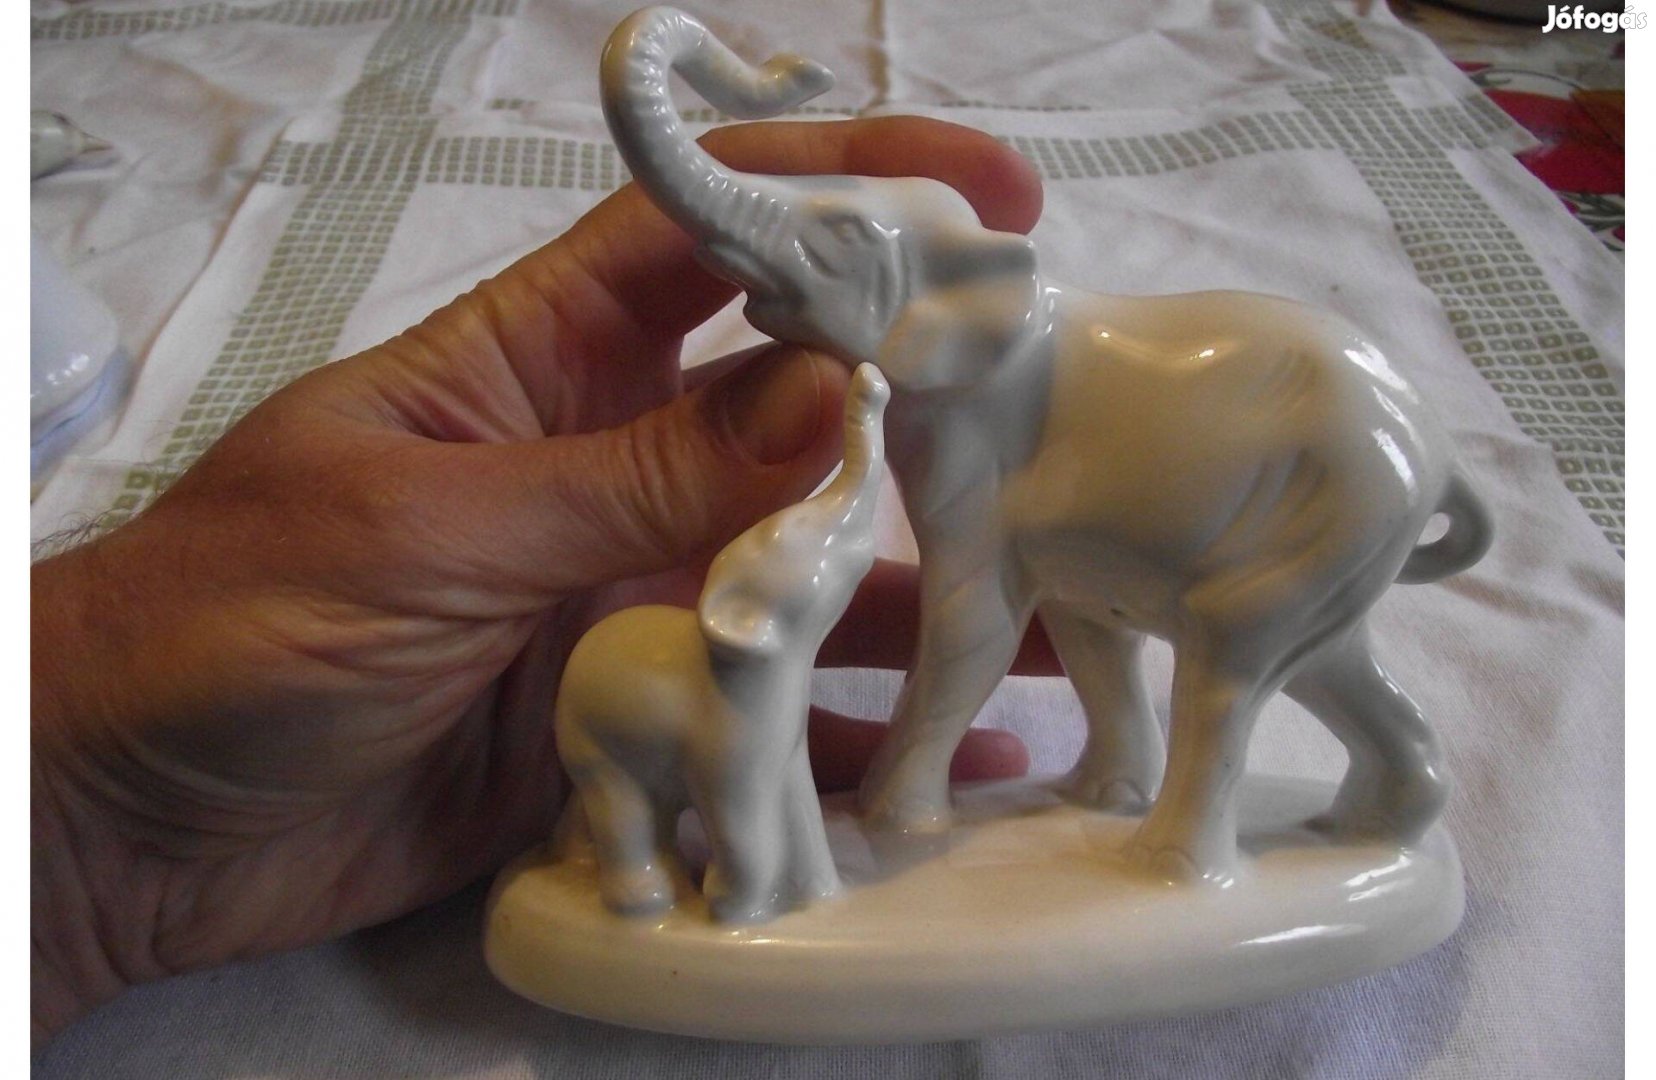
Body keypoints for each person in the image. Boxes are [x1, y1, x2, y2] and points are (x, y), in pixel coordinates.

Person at [30, 116, 1053, 1045]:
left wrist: (77, 826)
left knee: (758, 777)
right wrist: (74, 783)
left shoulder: (762, 646)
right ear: (751, 621)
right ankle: (655, 872)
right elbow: (753, 787)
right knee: (668, 803)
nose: (851, 545)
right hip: (624, 705)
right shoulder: (737, 638)